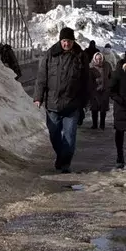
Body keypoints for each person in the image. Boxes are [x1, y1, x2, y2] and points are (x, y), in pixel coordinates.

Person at [34, 26, 88, 173]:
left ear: (73, 41)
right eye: (64, 41)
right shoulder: (51, 54)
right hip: (53, 104)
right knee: (54, 134)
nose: (67, 44)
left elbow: (86, 81)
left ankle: (65, 163)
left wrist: (85, 102)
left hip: (72, 105)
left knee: (70, 137)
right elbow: (41, 77)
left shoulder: (80, 56)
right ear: (60, 41)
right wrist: (38, 96)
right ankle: (61, 156)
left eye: (69, 41)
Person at [89, 50, 113, 130]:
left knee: (103, 108)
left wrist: (109, 84)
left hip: (105, 90)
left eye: (100, 59)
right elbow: (89, 79)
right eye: (97, 59)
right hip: (94, 91)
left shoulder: (107, 65)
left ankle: (102, 124)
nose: (99, 61)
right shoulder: (91, 67)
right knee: (94, 108)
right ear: (94, 59)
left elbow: (111, 75)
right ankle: (94, 124)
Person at [80, 40, 99, 126]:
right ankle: (95, 123)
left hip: (85, 82)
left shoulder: (86, 51)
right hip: (92, 85)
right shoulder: (96, 51)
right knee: (93, 103)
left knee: (83, 102)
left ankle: (81, 117)